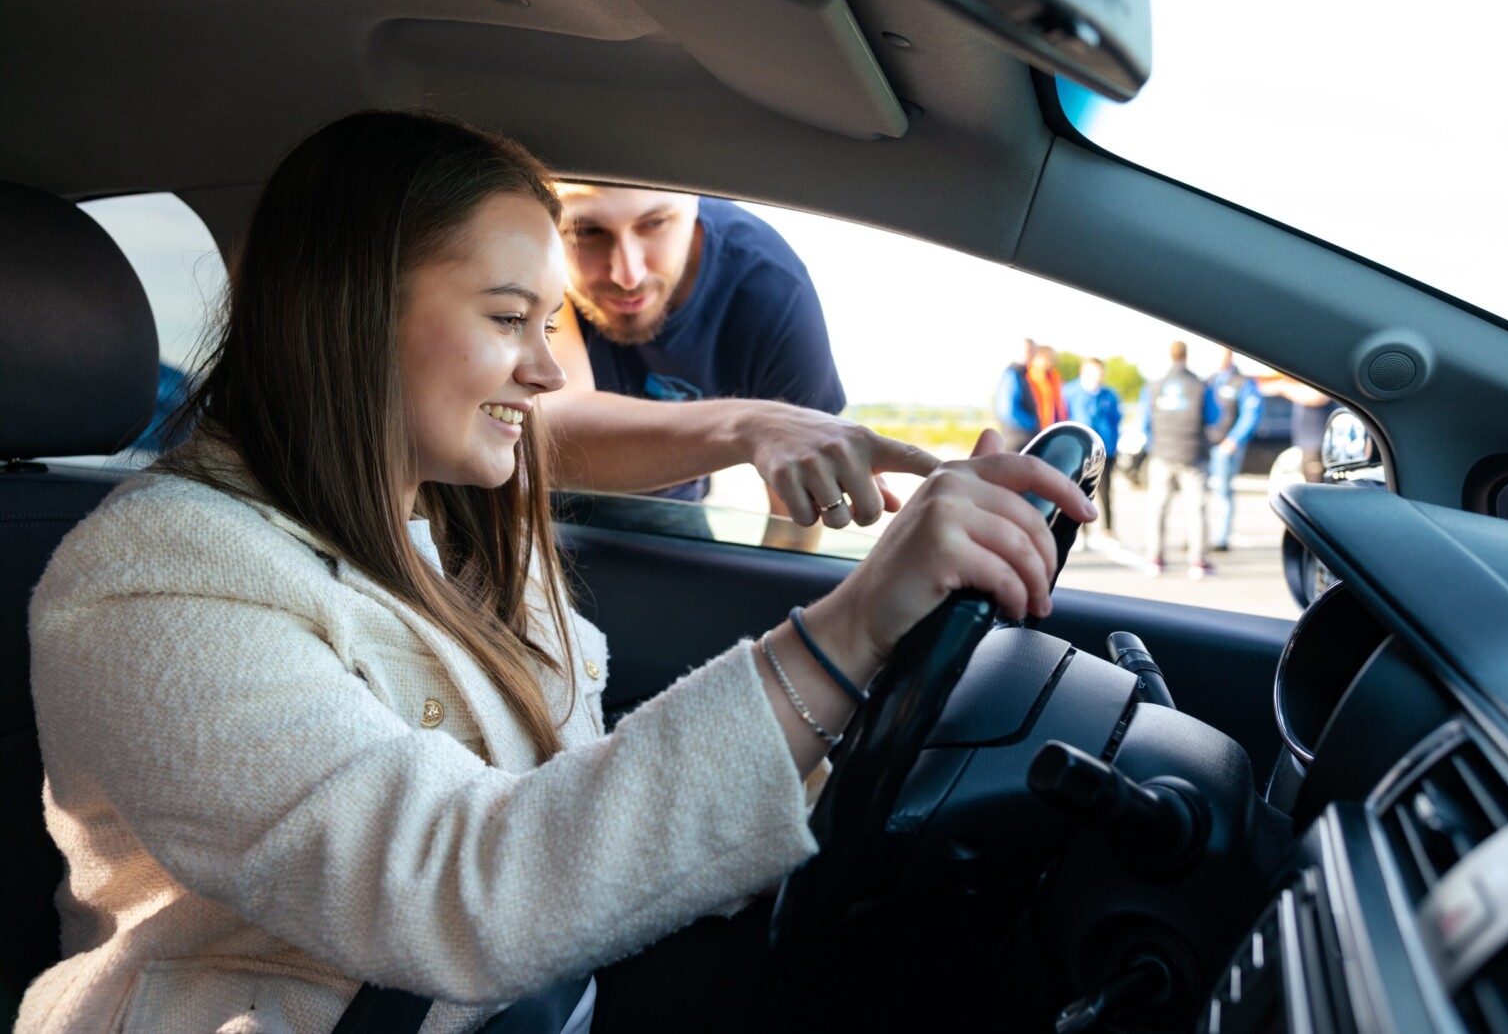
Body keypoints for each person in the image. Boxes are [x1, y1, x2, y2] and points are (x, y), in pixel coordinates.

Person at [21, 110, 1095, 1034]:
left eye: (549, 323)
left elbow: (563, 804)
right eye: (505, 319)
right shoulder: (151, 579)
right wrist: (843, 635)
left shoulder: (452, 525)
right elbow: (457, 888)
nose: (544, 368)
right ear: (345, 315)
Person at [546, 184, 874, 547]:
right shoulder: (537, 253)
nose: (628, 274)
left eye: (654, 223)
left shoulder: (772, 288)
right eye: (586, 231)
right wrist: (751, 428)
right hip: (519, 493)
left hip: (661, 503)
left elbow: (794, 520)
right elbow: (552, 432)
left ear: (696, 200)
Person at [1139, 340, 1220, 579]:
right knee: (1196, 508)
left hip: (1162, 453)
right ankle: (1198, 561)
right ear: (1187, 356)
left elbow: (1144, 423)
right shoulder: (1200, 386)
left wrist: (1156, 444)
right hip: (1192, 453)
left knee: (1158, 507)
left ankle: (1155, 557)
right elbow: (1214, 418)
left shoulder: (1153, 386)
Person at [1206, 350, 1262, 551]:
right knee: (1202, 491)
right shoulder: (1210, 381)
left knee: (1222, 490)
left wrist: (1234, 439)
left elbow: (1251, 413)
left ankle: (1221, 538)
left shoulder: (1243, 382)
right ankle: (1200, 535)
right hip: (1207, 444)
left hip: (1226, 446)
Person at [1062, 357, 1122, 540]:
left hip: (1105, 451)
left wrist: (1113, 445)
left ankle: (1108, 530)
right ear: (1084, 372)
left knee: (1105, 491)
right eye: (1094, 371)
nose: (1098, 375)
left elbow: (1115, 421)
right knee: (1077, 491)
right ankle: (1080, 532)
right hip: (1078, 451)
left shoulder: (1109, 395)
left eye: (1100, 371)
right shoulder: (1069, 392)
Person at [994, 338, 1041, 452]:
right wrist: (1032, 424)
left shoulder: (1023, 374)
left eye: (1033, 351)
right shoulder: (1012, 374)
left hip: (1023, 439)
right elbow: (1007, 411)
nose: (1032, 355)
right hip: (1016, 441)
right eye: (1029, 351)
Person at [1028, 345, 1068, 431]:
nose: (1053, 360)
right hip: (1038, 427)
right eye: (1050, 357)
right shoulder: (1030, 376)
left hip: (1056, 424)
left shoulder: (1055, 376)